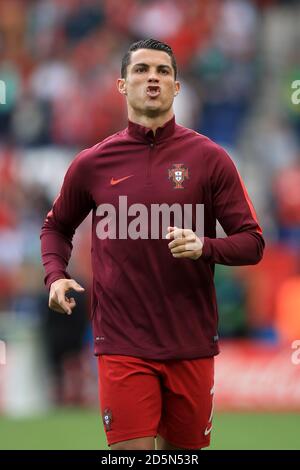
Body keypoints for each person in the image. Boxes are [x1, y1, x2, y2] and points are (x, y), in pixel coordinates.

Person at [40, 38, 265, 450]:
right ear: (122, 85)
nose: (153, 79)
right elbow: (56, 228)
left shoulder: (210, 159)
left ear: (177, 87)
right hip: (122, 343)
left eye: (163, 71)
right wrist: (55, 275)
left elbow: (252, 243)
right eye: (141, 70)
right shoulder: (93, 163)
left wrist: (204, 247)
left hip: (191, 343)